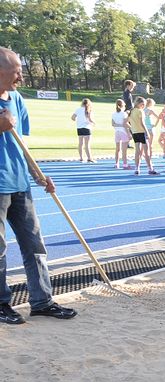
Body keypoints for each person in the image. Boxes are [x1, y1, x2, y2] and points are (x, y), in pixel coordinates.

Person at [0, 47, 77, 324]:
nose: (21, 76)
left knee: (34, 244)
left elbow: (24, 143)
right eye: (16, 71)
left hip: (20, 182)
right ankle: (1, 304)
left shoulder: (17, 99)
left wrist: (39, 174)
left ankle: (42, 301)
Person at [127, 96, 158, 175]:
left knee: (137, 151)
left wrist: (132, 128)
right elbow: (142, 123)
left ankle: (137, 168)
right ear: (140, 104)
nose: (144, 106)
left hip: (135, 132)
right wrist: (147, 131)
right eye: (143, 104)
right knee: (146, 151)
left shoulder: (131, 111)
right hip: (141, 132)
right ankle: (150, 168)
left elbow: (126, 122)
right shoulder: (140, 111)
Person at [71, 98, 95, 163]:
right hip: (86, 127)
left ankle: (81, 158)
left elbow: (72, 117)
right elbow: (90, 119)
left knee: (80, 143)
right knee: (87, 144)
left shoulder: (78, 109)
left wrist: (78, 121)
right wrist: (93, 123)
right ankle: (89, 158)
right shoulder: (89, 110)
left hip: (79, 128)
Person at [111, 99, 132, 169]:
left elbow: (113, 124)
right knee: (124, 150)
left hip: (117, 132)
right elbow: (125, 124)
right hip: (124, 132)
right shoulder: (124, 114)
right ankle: (125, 164)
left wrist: (119, 125)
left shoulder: (114, 114)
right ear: (122, 105)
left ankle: (116, 164)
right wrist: (131, 128)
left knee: (117, 149)